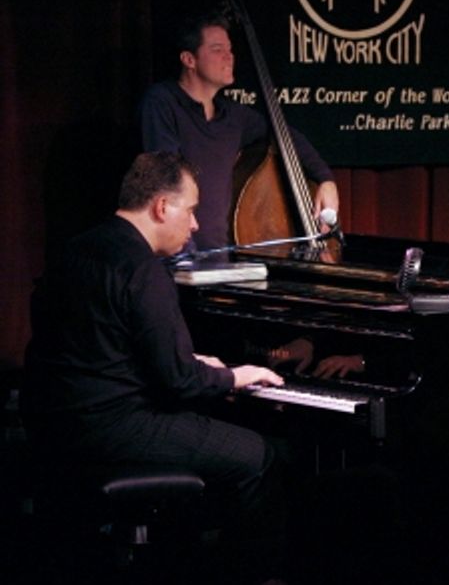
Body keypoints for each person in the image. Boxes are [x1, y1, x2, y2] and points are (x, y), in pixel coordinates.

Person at [20, 152, 286, 541]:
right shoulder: (144, 271)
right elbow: (180, 383)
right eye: (191, 210)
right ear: (162, 207)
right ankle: (241, 574)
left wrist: (190, 361)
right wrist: (234, 376)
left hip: (52, 421)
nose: (195, 224)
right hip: (113, 427)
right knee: (261, 457)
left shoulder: (75, 249)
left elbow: (97, 344)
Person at [138, 11, 339, 252]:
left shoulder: (234, 117)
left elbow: (287, 136)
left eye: (230, 50)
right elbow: (166, 181)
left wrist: (326, 179)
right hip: (177, 259)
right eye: (217, 49)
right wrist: (186, 257)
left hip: (219, 259)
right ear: (189, 60)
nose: (229, 57)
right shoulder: (162, 102)